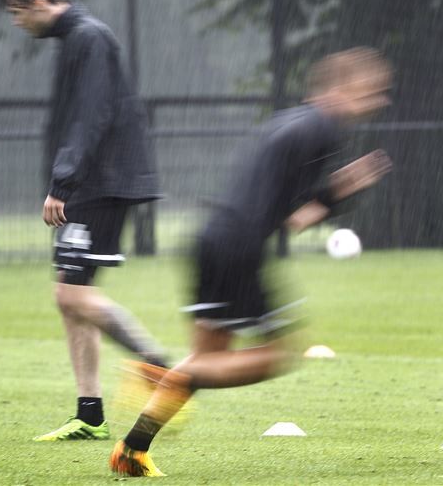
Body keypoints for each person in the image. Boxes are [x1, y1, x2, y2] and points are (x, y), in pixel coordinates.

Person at [108, 47, 394, 477]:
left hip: (212, 236)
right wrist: (342, 190)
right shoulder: (324, 130)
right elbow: (298, 217)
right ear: (342, 89)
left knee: (208, 356)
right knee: (277, 356)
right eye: (371, 92)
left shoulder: (290, 120)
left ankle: (132, 449)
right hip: (240, 247)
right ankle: (156, 372)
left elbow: (284, 201)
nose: (377, 102)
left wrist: (332, 191)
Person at [2, 0, 170, 442]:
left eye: (17, 13)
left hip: (101, 182)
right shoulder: (74, 36)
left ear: (38, 5)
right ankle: (90, 413)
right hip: (87, 183)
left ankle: (157, 365)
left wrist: (63, 180)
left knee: (71, 294)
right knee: (70, 299)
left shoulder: (89, 37)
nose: (16, 23)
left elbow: (92, 113)